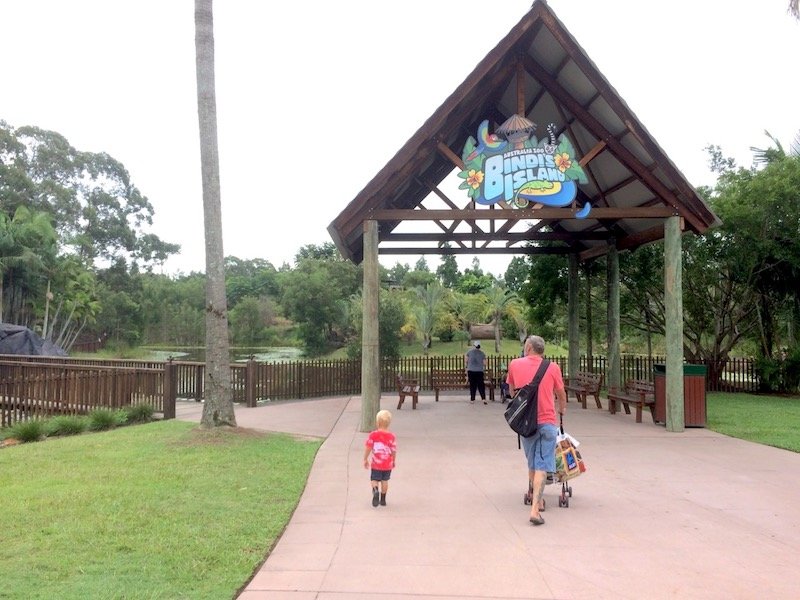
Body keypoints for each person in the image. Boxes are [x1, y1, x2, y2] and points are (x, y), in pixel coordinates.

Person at [506, 335, 567, 526]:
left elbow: (511, 392)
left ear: (530, 348)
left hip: (526, 423)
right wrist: (562, 408)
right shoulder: (553, 367)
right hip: (547, 420)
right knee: (542, 464)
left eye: (525, 346)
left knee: (532, 462)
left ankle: (538, 499)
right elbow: (560, 393)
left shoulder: (515, 364)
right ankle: (535, 508)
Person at [363, 409, 397, 507]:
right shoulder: (391, 437)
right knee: (385, 481)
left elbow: (368, 447)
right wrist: (393, 460)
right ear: (389, 423)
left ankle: (375, 490)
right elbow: (393, 450)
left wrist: (365, 459)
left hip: (376, 464)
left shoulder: (373, 435)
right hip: (387, 464)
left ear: (377, 423)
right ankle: (383, 500)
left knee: (374, 479)